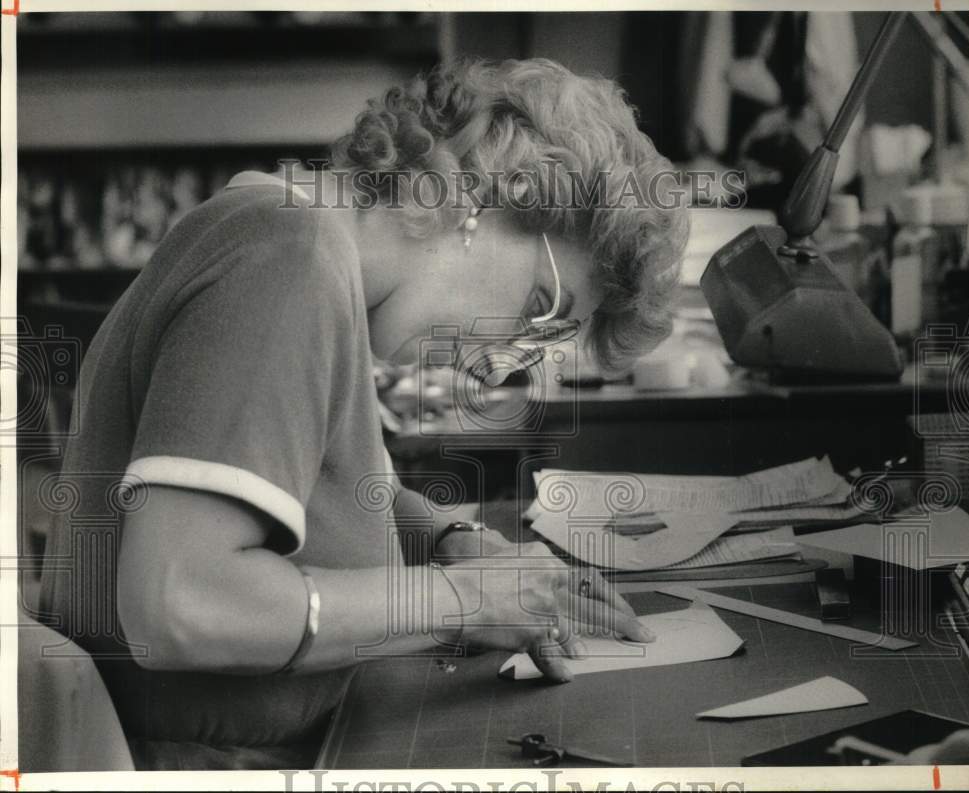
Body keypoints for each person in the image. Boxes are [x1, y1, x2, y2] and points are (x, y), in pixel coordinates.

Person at [37, 58, 690, 770]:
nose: (502, 357)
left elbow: (328, 496)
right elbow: (180, 603)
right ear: (494, 190)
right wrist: (459, 599)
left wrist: (449, 544)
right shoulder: (284, 257)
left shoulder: (294, 236)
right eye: (540, 308)